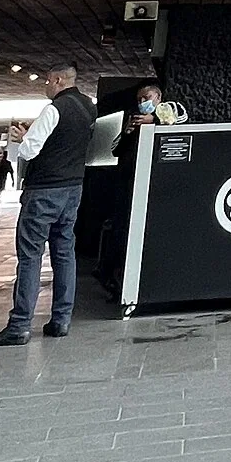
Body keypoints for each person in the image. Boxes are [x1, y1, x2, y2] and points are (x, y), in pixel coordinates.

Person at [0, 63, 96, 347]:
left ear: (58, 80)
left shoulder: (54, 109)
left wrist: (24, 139)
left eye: (47, 81)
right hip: (73, 188)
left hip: (45, 190)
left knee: (30, 255)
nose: (46, 86)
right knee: (64, 252)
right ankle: (61, 320)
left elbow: (30, 150)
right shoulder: (88, 107)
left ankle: (20, 325)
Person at [95, 81, 161, 300]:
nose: (143, 103)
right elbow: (115, 150)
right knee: (120, 231)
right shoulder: (131, 118)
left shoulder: (167, 113)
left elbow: (180, 121)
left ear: (158, 98)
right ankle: (114, 279)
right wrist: (127, 132)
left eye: (147, 98)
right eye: (140, 99)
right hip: (125, 182)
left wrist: (155, 121)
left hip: (150, 185)